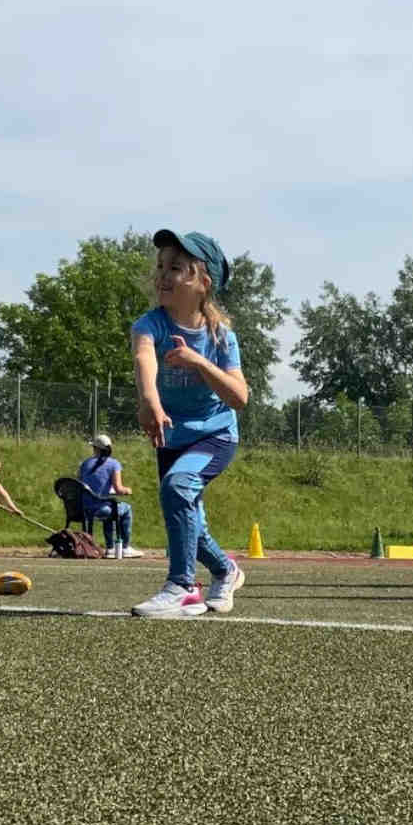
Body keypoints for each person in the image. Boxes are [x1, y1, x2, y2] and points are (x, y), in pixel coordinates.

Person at [130, 228, 249, 618]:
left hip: (215, 434)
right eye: (161, 266)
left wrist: (198, 362)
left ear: (202, 283)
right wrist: (150, 399)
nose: (163, 275)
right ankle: (224, 570)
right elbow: (144, 357)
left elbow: (239, 397)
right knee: (186, 515)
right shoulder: (151, 325)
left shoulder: (221, 338)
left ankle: (182, 586)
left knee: (178, 487)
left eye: (177, 268)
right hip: (170, 434)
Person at [78, 433, 136, 558]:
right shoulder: (114, 464)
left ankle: (110, 547)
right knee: (126, 509)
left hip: (84, 508)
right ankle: (124, 547)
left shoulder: (85, 463)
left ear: (96, 449)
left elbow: (81, 484)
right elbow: (119, 489)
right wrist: (128, 490)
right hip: (101, 508)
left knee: (110, 506)